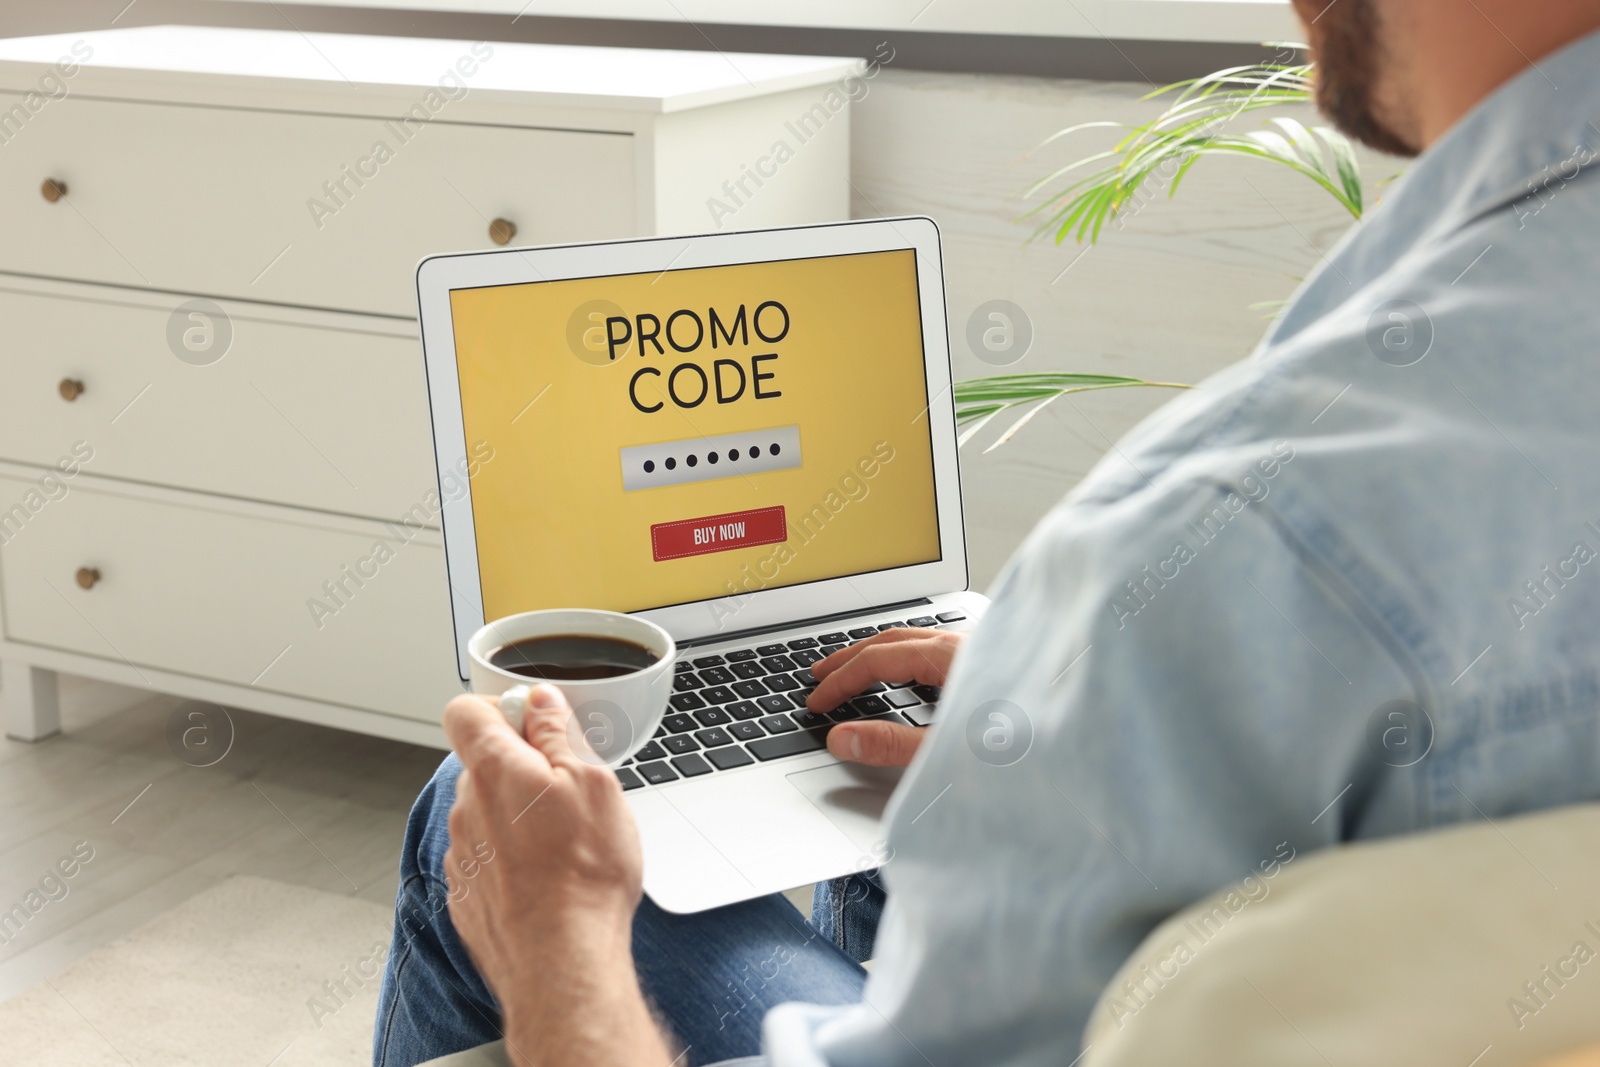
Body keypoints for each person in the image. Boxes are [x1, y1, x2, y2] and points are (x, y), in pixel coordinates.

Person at [374, 0, 1600, 1061]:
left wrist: (558, 958)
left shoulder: (1260, 523)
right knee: (893, 802)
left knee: (480, 811)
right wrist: (1104, 720)